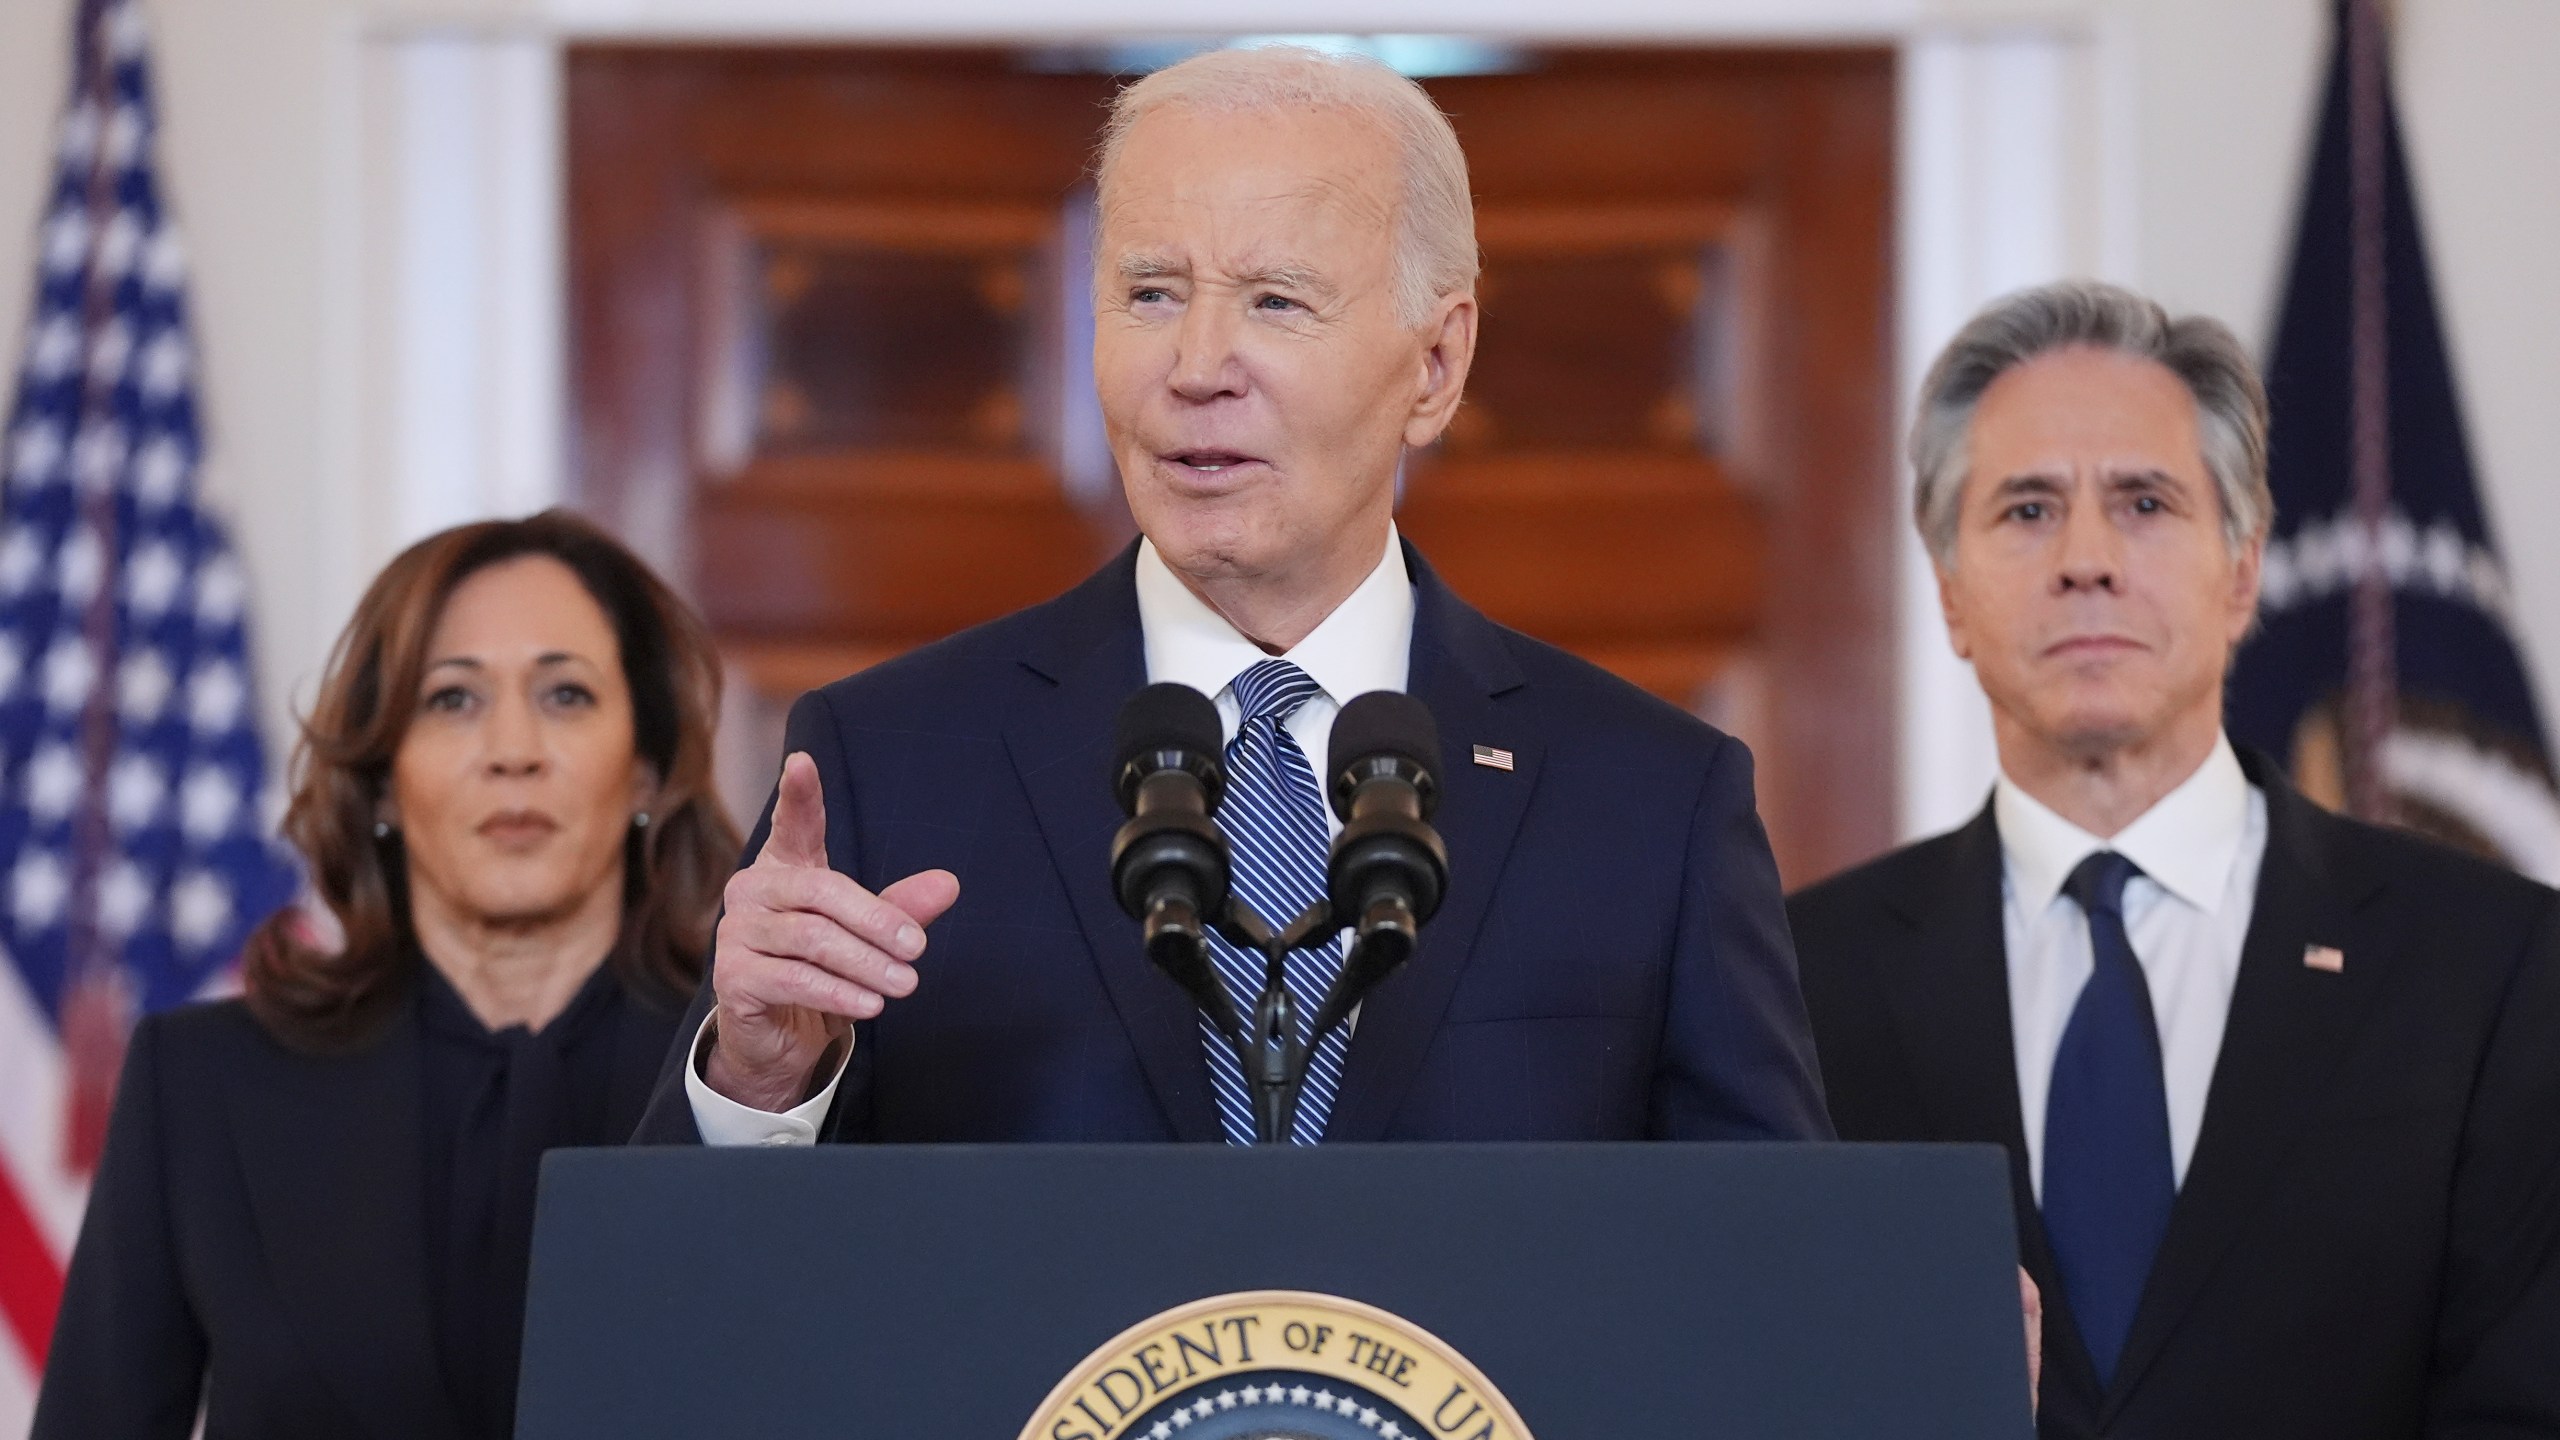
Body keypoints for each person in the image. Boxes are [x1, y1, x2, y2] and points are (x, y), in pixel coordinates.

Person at [633, 45, 1831, 1150]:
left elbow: (1766, 1280)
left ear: (1436, 363)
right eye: (1151, 293)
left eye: (1275, 300)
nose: (1196, 368)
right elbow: (685, 1307)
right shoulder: (887, 763)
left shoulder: (1651, 800)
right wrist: (758, 1084)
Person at [1789, 281, 2560, 1438]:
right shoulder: (1799, 978)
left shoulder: (2487, 965)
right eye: (2027, 510)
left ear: (2241, 569)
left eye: (2144, 502)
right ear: (1949, 590)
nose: (2086, 559)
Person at [35, 511, 740, 1440]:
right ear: (379, 785)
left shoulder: (746, 1090)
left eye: (566, 695)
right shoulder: (201, 1082)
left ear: (648, 772)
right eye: (452, 700)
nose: (514, 750)